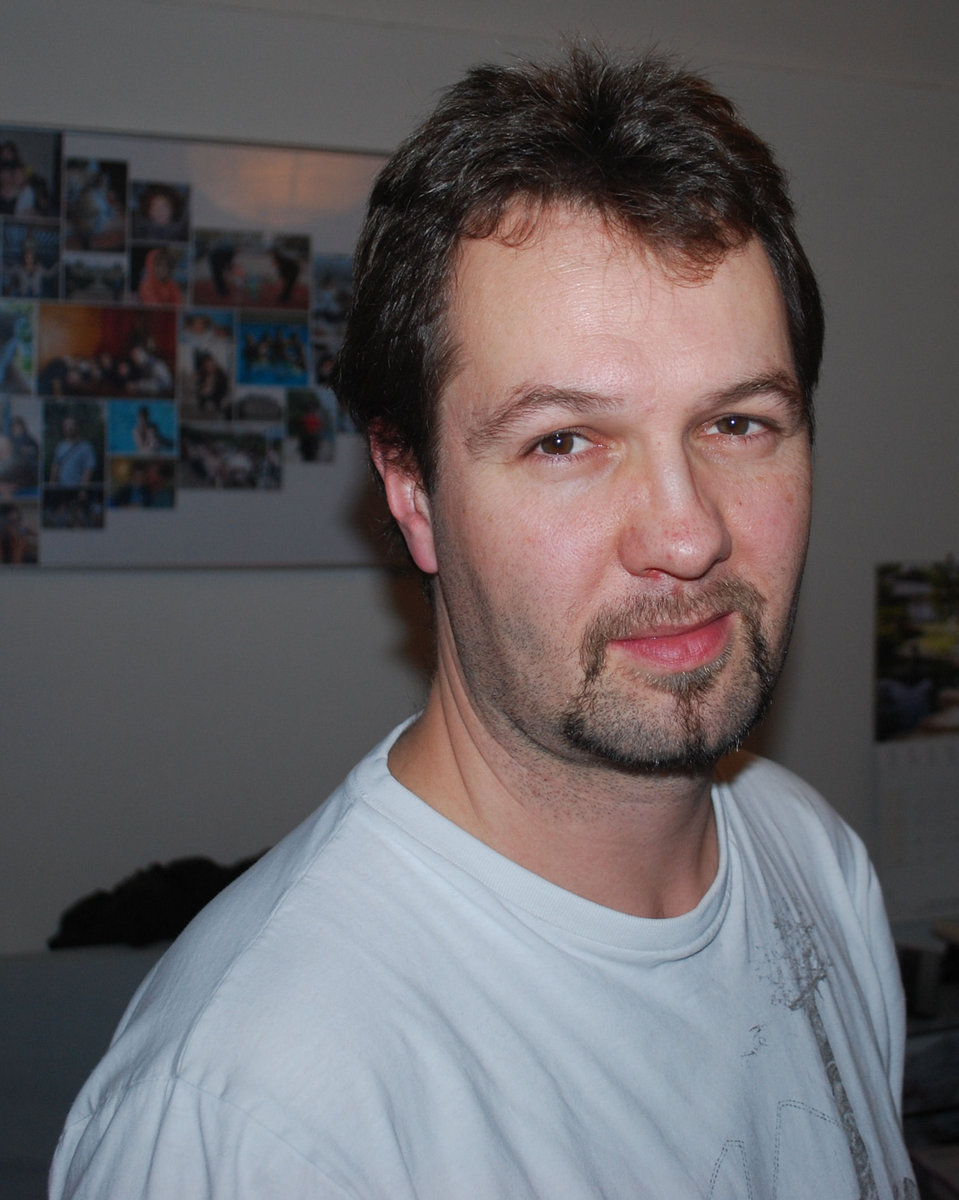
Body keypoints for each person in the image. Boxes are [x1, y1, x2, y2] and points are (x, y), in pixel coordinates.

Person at [50, 46, 917, 1198]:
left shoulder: (818, 866)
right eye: (563, 441)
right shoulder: (258, 1117)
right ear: (413, 494)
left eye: (738, 423)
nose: (686, 534)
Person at [48, 415, 97, 487]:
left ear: (77, 426)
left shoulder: (86, 447)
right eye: (66, 425)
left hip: (77, 488)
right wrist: (52, 484)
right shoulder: (60, 446)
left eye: (71, 425)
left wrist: (83, 489)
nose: (69, 428)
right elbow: (55, 466)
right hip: (61, 488)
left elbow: (88, 469)